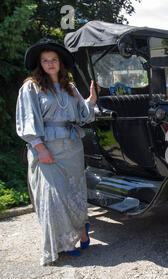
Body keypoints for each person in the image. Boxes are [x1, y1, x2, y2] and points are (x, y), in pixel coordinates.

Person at [16, 38, 100, 265]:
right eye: (45, 60)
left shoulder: (69, 88)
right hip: (47, 150)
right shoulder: (31, 87)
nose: (50, 64)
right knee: (54, 198)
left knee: (75, 193)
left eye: (53, 60)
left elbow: (83, 116)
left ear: (60, 63)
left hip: (72, 148)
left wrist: (91, 99)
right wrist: (40, 147)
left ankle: (81, 230)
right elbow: (26, 121)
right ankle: (65, 242)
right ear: (39, 64)